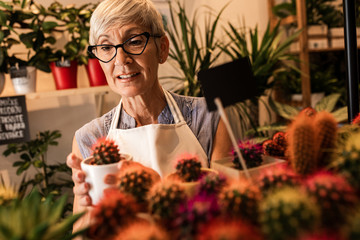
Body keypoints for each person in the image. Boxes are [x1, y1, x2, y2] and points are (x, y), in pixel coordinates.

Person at [66, 0, 232, 232]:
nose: (121, 60)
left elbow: (230, 214)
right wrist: (91, 211)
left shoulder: (208, 117)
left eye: (134, 42)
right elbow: (81, 234)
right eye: (106, 47)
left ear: (162, 48)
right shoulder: (88, 138)